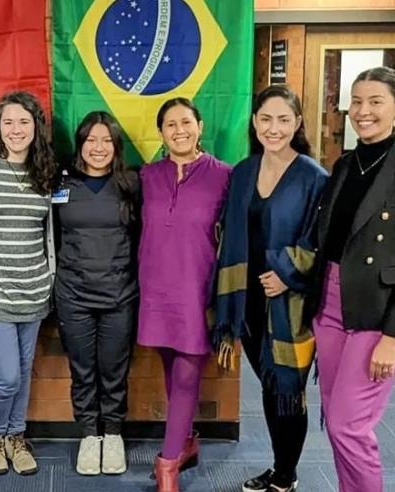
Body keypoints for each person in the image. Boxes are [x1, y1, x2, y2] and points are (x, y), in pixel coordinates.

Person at [305, 66, 395, 492]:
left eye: (375, 101)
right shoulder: (344, 164)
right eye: (357, 101)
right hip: (329, 309)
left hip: (377, 314)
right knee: (335, 415)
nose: (363, 111)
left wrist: (393, 335)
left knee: (349, 424)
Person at [213, 85, 328, 492]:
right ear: (254, 122)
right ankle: (279, 465)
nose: (273, 128)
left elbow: (322, 240)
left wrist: (287, 273)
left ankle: (286, 474)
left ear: (297, 123)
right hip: (247, 298)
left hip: (290, 301)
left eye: (283, 119)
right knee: (267, 381)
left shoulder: (314, 176)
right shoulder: (244, 170)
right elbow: (227, 230)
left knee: (288, 387)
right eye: (265, 119)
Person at [137, 97, 231, 492]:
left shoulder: (225, 175)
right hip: (155, 287)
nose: (179, 130)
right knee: (171, 366)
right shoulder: (146, 175)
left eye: (186, 122)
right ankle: (187, 440)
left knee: (188, 374)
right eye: (170, 125)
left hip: (198, 290)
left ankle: (167, 464)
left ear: (201, 126)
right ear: (161, 132)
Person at [0, 91, 58, 476]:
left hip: (35, 291)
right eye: (8, 122)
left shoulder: (45, 171)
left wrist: (50, 278)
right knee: (6, 376)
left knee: (23, 368)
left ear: (36, 127)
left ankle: (15, 438)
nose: (16, 129)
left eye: (24, 122)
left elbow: (49, 231)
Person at [53, 111, 140, 476]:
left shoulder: (132, 184)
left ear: (116, 146)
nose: (98, 148)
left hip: (120, 295)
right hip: (73, 295)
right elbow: (52, 236)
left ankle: (113, 435)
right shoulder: (60, 183)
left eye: (106, 140)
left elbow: (144, 239)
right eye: (91, 140)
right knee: (83, 370)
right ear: (81, 144)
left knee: (114, 371)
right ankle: (90, 435)